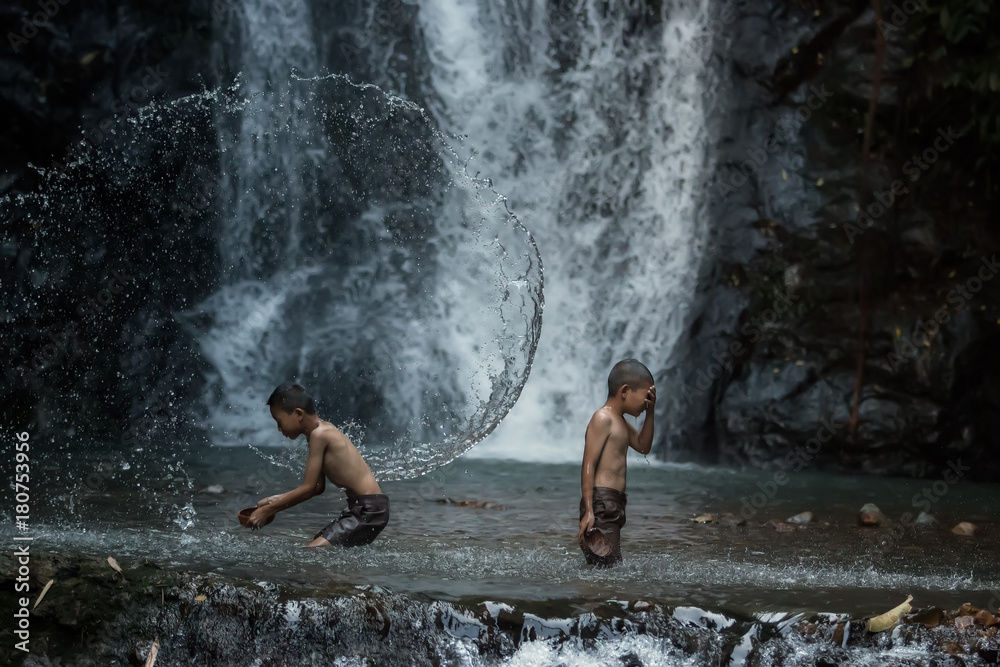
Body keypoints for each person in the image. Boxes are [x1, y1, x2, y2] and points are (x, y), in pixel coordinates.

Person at [246, 382, 390, 547]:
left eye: (279, 422)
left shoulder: (320, 435)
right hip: (363, 509)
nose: (279, 429)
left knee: (314, 550)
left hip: (369, 510)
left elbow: (308, 488)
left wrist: (268, 510)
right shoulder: (319, 432)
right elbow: (317, 487)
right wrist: (273, 501)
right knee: (314, 545)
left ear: (298, 414)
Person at [577, 359, 655, 567]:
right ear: (625, 391)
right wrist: (589, 510)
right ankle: (593, 599)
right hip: (601, 502)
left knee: (608, 565)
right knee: (607, 566)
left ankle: (598, 598)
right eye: (645, 396)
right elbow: (588, 465)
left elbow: (643, 446)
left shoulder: (621, 422)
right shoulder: (603, 418)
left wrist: (650, 413)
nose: (647, 401)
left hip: (614, 502)